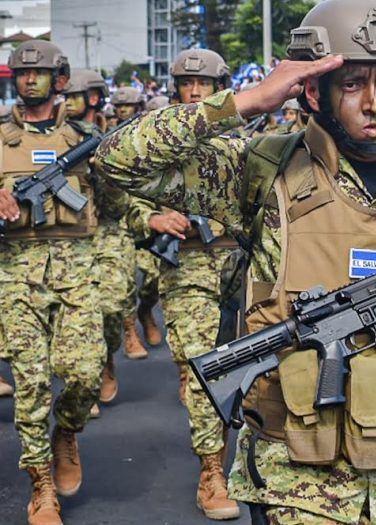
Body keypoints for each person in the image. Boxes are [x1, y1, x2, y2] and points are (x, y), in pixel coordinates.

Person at [98, 1, 376, 521]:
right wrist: (245, 102)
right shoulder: (261, 172)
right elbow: (116, 160)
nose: (373, 102)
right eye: (351, 83)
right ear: (314, 91)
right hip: (296, 483)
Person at [121, 48, 243, 521]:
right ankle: (212, 472)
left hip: (243, 264)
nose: (194, 92)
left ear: (220, 88)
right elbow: (124, 196)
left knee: (258, 370)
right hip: (188, 266)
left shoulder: (247, 139)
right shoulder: (159, 141)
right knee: (202, 366)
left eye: (204, 84)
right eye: (187, 85)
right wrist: (150, 218)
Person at [0, 39, 106, 525]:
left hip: (77, 272)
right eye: (23, 73)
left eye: (39, 72)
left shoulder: (84, 137)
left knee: (85, 373)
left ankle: (66, 432)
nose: (29, 79)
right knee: (32, 382)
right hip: (15, 274)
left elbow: (117, 205)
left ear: (58, 79)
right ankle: (41, 484)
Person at [64, 70, 138, 420]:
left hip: (107, 232)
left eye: (74, 96)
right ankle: (85, 383)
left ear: (93, 98)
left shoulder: (109, 139)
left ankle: (107, 357)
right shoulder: (57, 137)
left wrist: (106, 175)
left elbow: (117, 207)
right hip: (68, 236)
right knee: (73, 319)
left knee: (110, 307)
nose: (67, 102)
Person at [110, 86, 162, 360]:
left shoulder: (148, 136)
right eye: (119, 106)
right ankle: (130, 330)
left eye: (128, 106)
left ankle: (146, 310)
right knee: (123, 281)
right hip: (117, 220)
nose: (122, 110)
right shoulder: (104, 136)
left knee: (154, 276)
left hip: (147, 214)